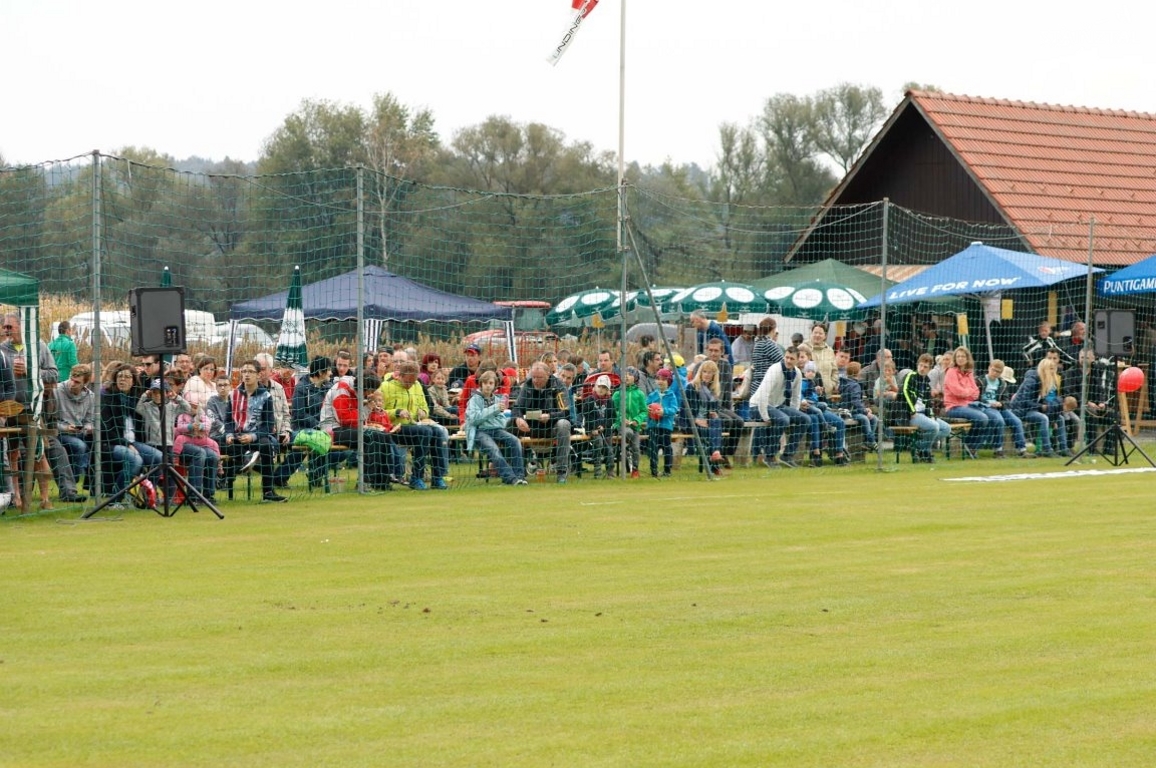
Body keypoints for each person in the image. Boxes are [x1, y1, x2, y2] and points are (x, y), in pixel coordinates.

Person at [319, 373, 398, 491]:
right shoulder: (341, 391)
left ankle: (382, 481)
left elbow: (356, 420)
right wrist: (368, 408)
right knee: (370, 436)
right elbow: (345, 420)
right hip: (332, 430)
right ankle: (365, 481)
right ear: (365, 387)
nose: (370, 394)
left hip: (348, 428)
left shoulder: (356, 390)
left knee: (383, 434)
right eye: (371, 390)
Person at [380, 360, 450, 490]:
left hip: (414, 426)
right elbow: (379, 411)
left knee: (438, 432)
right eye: (407, 382)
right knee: (425, 432)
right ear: (399, 375)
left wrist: (423, 412)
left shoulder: (417, 385)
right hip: (394, 429)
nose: (410, 385)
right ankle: (416, 477)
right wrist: (397, 412)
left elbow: (425, 406)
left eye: (412, 382)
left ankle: (437, 478)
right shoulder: (385, 387)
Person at [225, 360, 287, 503]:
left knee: (266, 445)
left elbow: (268, 424)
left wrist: (253, 436)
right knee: (221, 442)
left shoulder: (266, 396)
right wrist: (228, 434)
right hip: (236, 437)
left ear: (259, 375)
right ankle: (243, 461)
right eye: (244, 371)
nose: (246, 375)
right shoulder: (233, 395)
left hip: (255, 437)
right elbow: (228, 420)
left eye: (251, 372)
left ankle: (268, 492)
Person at [274, 355, 333, 488]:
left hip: (322, 430)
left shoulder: (328, 387)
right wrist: (317, 425)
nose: (331, 373)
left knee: (339, 447)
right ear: (320, 372)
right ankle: (280, 477)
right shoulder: (301, 388)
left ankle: (315, 474)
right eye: (328, 370)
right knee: (309, 443)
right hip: (299, 429)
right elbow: (299, 414)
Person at [510, 361, 572, 484]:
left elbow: (566, 412)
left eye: (539, 378)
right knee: (510, 425)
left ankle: (561, 473)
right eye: (533, 377)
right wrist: (518, 419)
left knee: (564, 424)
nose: (535, 381)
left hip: (551, 427)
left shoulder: (558, 386)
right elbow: (516, 407)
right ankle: (517, 474)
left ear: (548, 375)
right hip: (531, 427)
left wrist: (549, 416)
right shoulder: (527, 385)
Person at [749, 346, 809, 468]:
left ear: (797, 360)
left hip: (776, 405)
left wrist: (794, 414)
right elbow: (763, 394)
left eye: (792, 358)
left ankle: (787, 455)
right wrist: (765, 416)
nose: (788, 360)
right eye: (786, 357)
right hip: (757, 405)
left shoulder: (796, 373)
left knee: (805, 419)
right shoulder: (775, 369)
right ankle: (769, 456)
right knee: (783, 419)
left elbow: (796, 396)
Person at [464, 370, 527, 486]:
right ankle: (511, 479)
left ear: (494, 386)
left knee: (515, 441)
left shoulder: (498, 400)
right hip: (480, 432)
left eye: (491, 383)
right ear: (481, 384)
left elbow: (501, 421)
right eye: (486, 383)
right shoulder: (474, 400)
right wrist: (493, 410)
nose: (488, 386)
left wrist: (498, 413)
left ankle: (520, 476)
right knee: (493, 450)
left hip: (497, 430)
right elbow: (474, 419)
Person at [941, 346, 997, 457]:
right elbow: (957, 391)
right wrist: (968, 392)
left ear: (967, 358)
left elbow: (976, 392)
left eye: (963, 356)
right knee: (982, 418)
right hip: (954, 407)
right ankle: (970, 445)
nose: (960, 358)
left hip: (969, 405)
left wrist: (967, 392)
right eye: (958, 356)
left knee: (993, 419)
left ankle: (972, 447)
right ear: (955, 358)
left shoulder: (969, 372)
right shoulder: (951, 372)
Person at [1009, 358, 1071, 457]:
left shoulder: (1046, 381)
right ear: (1044, 369)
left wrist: (1050, 410)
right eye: (1050, 369)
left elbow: (1043, 400)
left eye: (1053, 368)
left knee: (1060, 418)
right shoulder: (1032, 380)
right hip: (1021, 410)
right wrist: (1041, 407)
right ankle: (1047, 449)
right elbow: (1026, 402)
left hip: (1034, 409)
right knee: (1043, 418)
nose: (1053, 371)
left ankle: (1064, 448)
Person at [900, 354, 952, 463]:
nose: (922, 369)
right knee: (934, 427)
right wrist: (912, 411)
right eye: (921, 365)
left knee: (946, 429)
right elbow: (905, 392)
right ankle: (925, 451)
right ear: (917, 365)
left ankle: (918, 446)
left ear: (930, 369)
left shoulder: (927, 383)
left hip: (924, 414)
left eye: (925, 367)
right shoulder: (911, 376)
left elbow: (928, 402)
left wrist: (932, 415)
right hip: (912, 415)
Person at [704, 338, 746, 467]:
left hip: (721, 406)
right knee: (728, 421)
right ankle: (717, 453)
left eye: (716, 350)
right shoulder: (703, 366)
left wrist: (729, 409)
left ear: (722, 352)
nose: (713, 353)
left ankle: (727, 453)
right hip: (706, 407)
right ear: (707, 350)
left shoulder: (725, 365)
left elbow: (727, 390)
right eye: (710, 350)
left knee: (739, 421)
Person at [976, 359, 1030, 458]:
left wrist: (1000, 404)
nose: (995, 373)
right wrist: (988, 403)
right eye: (993, 370)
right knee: (999, 421)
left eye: (998, 372)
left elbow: (1006, 401)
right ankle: (998, 450)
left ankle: (1022, 450)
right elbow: (975, 397)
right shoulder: (980, 381)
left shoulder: (1002, 383)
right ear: (989, 368)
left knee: (1017, 422)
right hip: (985, 407)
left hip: (999, 408)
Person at [56, 364, 96, 494]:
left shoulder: (90, 397)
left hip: (80, 432)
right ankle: (72, 481)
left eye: (77, 382)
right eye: (71, 379)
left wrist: (88, 428)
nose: (72, 383)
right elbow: (49, 421)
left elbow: (89, 420)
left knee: (99, 445)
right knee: (79, 446)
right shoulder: (57, 391)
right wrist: (66, 427)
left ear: (85, 383)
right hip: (60, 432)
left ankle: (94, 487)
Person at [685, 359, 726, 472]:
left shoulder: (713, 390)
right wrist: (696, 420)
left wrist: (713, 413)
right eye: (705, 371)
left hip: (707, 422)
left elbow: (715, 408)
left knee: (717, 421)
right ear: (700, 372)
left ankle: (715, 454)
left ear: (714, 375)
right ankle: (714, 465)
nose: (707, 375)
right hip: (692, 422)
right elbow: (686, 409)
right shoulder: (692, 387)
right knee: (710, 431)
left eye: (710, 372)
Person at [612, 366, 647, 478]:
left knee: (636, 447)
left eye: (630, 374)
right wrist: (621, 418)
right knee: (628, 433)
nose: (626, 376)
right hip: (621, 426)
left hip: (635, 427)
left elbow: (643, 411)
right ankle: (626, 451)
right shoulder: (618, 394)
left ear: (636, 378)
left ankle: (635, 469)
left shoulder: (640, 394)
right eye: (625, 374)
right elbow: (613, 410)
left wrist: (637, 420)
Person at [839, 361, 879, 452]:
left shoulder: (845, 382)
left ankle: (867, 442)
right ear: (857, 372)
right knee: (867, 418)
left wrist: (865, 408)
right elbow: (855, 402)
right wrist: (865, 411)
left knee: (874, 418)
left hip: (847, 410)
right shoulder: (855, 385)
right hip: (851, 412)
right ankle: (871, 440)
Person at [581, 374, 615, 478]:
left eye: (604, 387)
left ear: (607, 390)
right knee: (598, 442)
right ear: (595, 387)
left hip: (606, 431)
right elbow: (587, 415)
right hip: (591, 429)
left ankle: (610, 472)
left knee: (609, 449)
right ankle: (598, 471)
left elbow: (612, 417)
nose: (601, 389)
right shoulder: (589, 400)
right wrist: (594, 428)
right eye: (599, 386)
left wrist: (604, 426)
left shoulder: (609, 401)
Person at [646, 368, 678, 477]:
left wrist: (664, 411)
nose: (660, 381)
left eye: (663, 379)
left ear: (668, 382)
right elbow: (645, 406)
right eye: (658, 379)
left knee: (667, 448)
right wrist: (648, 409)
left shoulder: (671, 395)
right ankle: (653, 471)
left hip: (665, 426)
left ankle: (667, 470)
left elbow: (674, 409)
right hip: (653, 426)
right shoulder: (652, 395)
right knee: (653, 449)